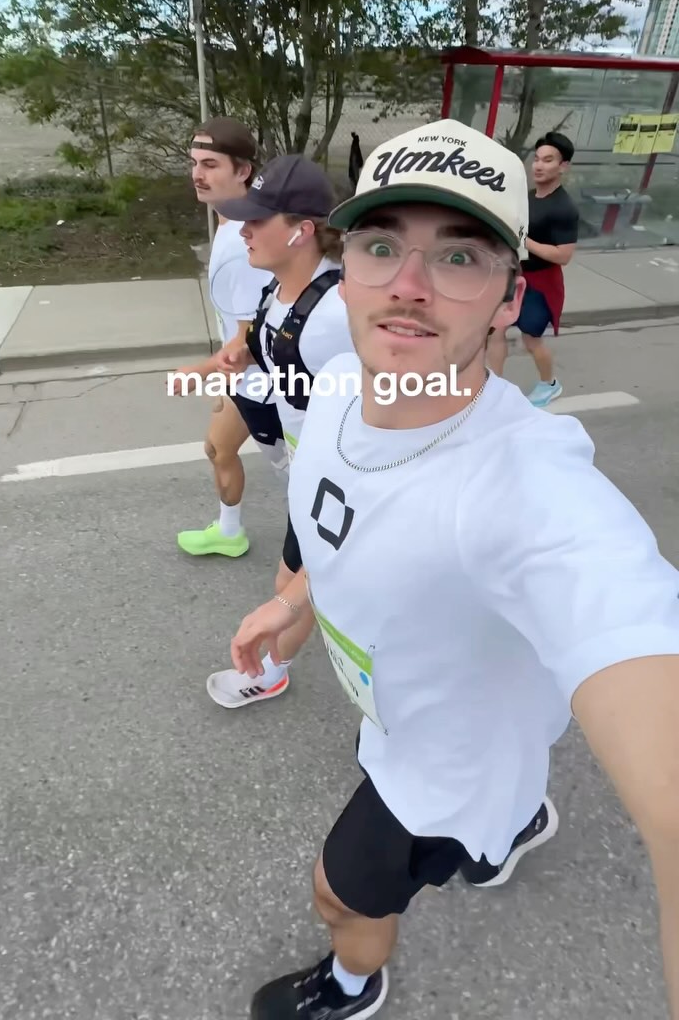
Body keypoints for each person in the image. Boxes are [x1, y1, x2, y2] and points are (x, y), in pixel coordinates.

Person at [230, 118, 679, 1020]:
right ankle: (512, 826)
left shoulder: (528, 486)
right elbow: (358, 515)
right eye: (380, 245)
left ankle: (352, 985)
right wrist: (301, 600)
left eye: (460, 257)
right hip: (398, 713)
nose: (407, 284)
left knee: (338, 893)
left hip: (443, 769)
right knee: (488, 814)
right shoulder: (342, 389)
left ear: (510, 299)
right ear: (344, 263)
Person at [205, 153, 355, 709]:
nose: (243, 229)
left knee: (293, 587)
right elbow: (275, 357)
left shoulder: (336, 315)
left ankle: (273, 671)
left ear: (302, 231)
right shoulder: (278, 290)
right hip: (305, 468)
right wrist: (240, 358)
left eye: (258, 219)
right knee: (296, 583)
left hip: (335, 480)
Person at [172, 117, 288, 560]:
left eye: (210, 164)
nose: (197, 174)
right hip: (246, 380)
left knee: (301, 480)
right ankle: (229, 531)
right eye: (194, 163)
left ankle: (325, 560)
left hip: (270, 387)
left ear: (243, 171)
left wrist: (199, 372)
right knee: (218, 448)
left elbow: (248, 340)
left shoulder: (242, 247)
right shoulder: (230, 228)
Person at [487, 131, 579, 406]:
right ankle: (493, 385)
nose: (538, 165)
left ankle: (550, 384)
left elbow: (563, 255)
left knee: (531, 340)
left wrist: (525, 241)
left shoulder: (564, 208)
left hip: (541, 284)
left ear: (563, 166)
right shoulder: (528, 197)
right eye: (537, 159)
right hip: (515, 275)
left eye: (548, 160)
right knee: (497, 328)